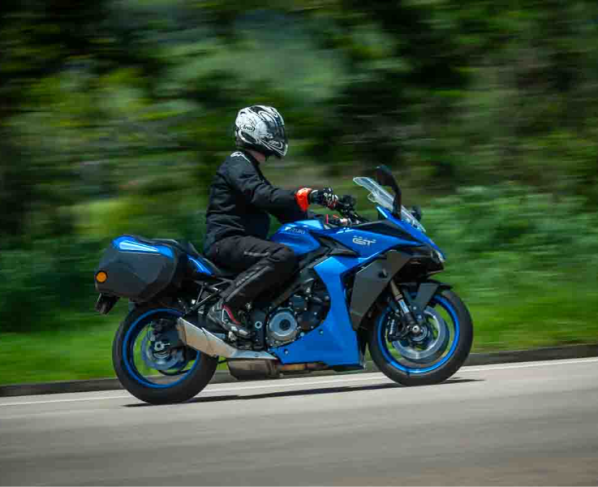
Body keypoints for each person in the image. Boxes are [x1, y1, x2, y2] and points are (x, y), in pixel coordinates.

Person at [203, 105, 338, 338]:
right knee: (281, 255)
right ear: (254, 130)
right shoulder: (237, 163)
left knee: (298, 256)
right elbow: (262, 195)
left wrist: (329, 221)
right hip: (226, 241)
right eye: (273, 131)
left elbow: (283, 210)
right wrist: (306, 194)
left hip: (241, 241)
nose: (278, 136)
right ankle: (224, 307)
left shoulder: (250, 168)